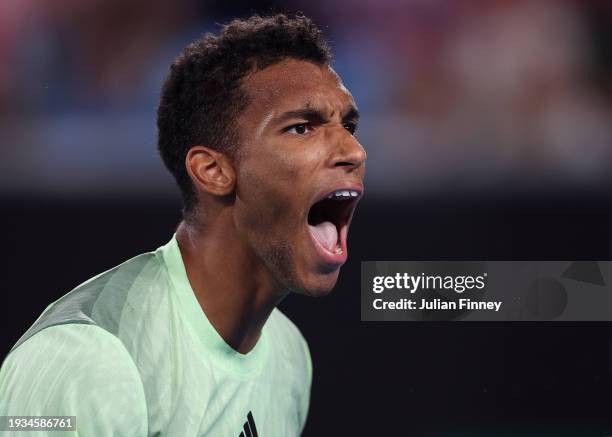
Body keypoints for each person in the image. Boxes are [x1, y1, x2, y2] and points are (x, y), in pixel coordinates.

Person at [0, 13, 366, 436]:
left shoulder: (288, 354)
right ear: (212, 171)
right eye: (301, 128)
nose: (354, 151)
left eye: (349, 125)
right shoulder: (87, 358)